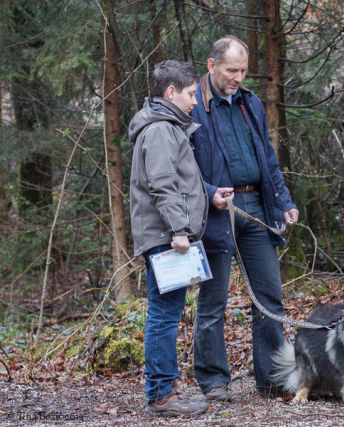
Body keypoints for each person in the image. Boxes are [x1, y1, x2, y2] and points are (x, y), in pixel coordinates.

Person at [190, 35, 299, 401]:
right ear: (211, 65)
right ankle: (213, 380)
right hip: (214, 213)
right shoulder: (193, 106)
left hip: (255, 209)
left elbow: (268, 158)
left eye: (243, 70)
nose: (238, 77)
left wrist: (282, 201)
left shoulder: (249, 103)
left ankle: (271, 378)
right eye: (231, 70)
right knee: (213, 300)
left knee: (270, 296)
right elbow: (182, 168)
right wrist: (209, 194)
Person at [128, 60, 210, 416]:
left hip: (167, 233)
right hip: (166, 237)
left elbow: (181, 181)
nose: (195, 101)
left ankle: (165, 390)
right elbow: (162, 184)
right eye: (191, 94)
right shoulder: (161, 130)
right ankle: (162, 395)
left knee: (167, 312)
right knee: (163, 315)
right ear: (171, 92)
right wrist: (179, 230)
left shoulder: (168, 128)